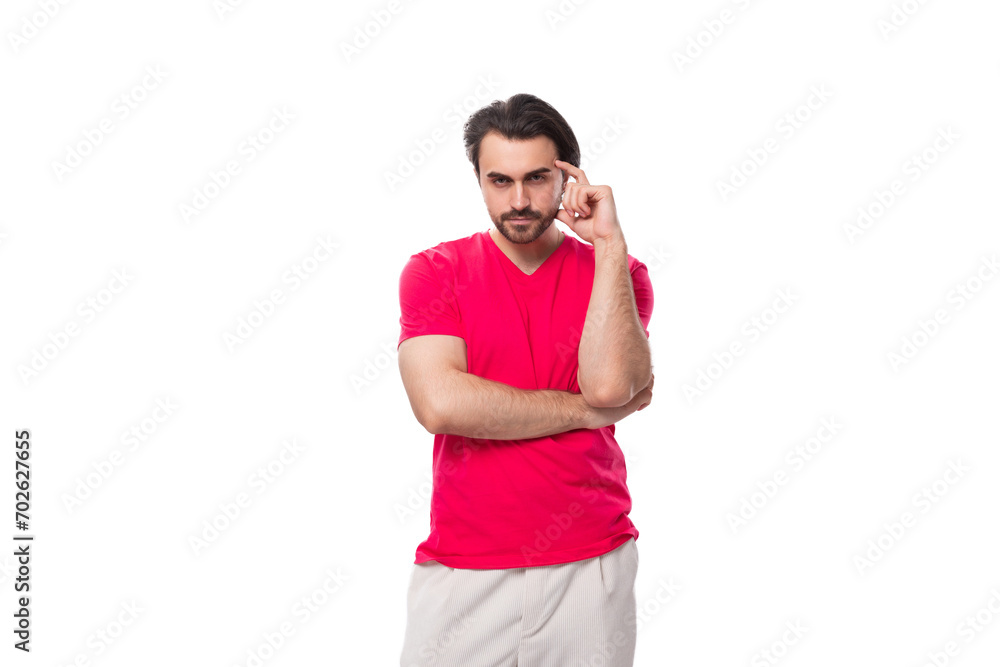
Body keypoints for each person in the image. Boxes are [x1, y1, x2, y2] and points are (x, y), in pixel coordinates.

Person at [396, 92, 654, 667]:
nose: (518, 200)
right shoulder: (435, 272)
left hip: (591, 561)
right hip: (465, 567)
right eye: (500, 181)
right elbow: (441, 405)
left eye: (537, 178)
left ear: (569, 177)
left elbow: (610, 388)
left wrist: (608, 243)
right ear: (479, 181)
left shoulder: (618, 273)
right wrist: (582, 412)